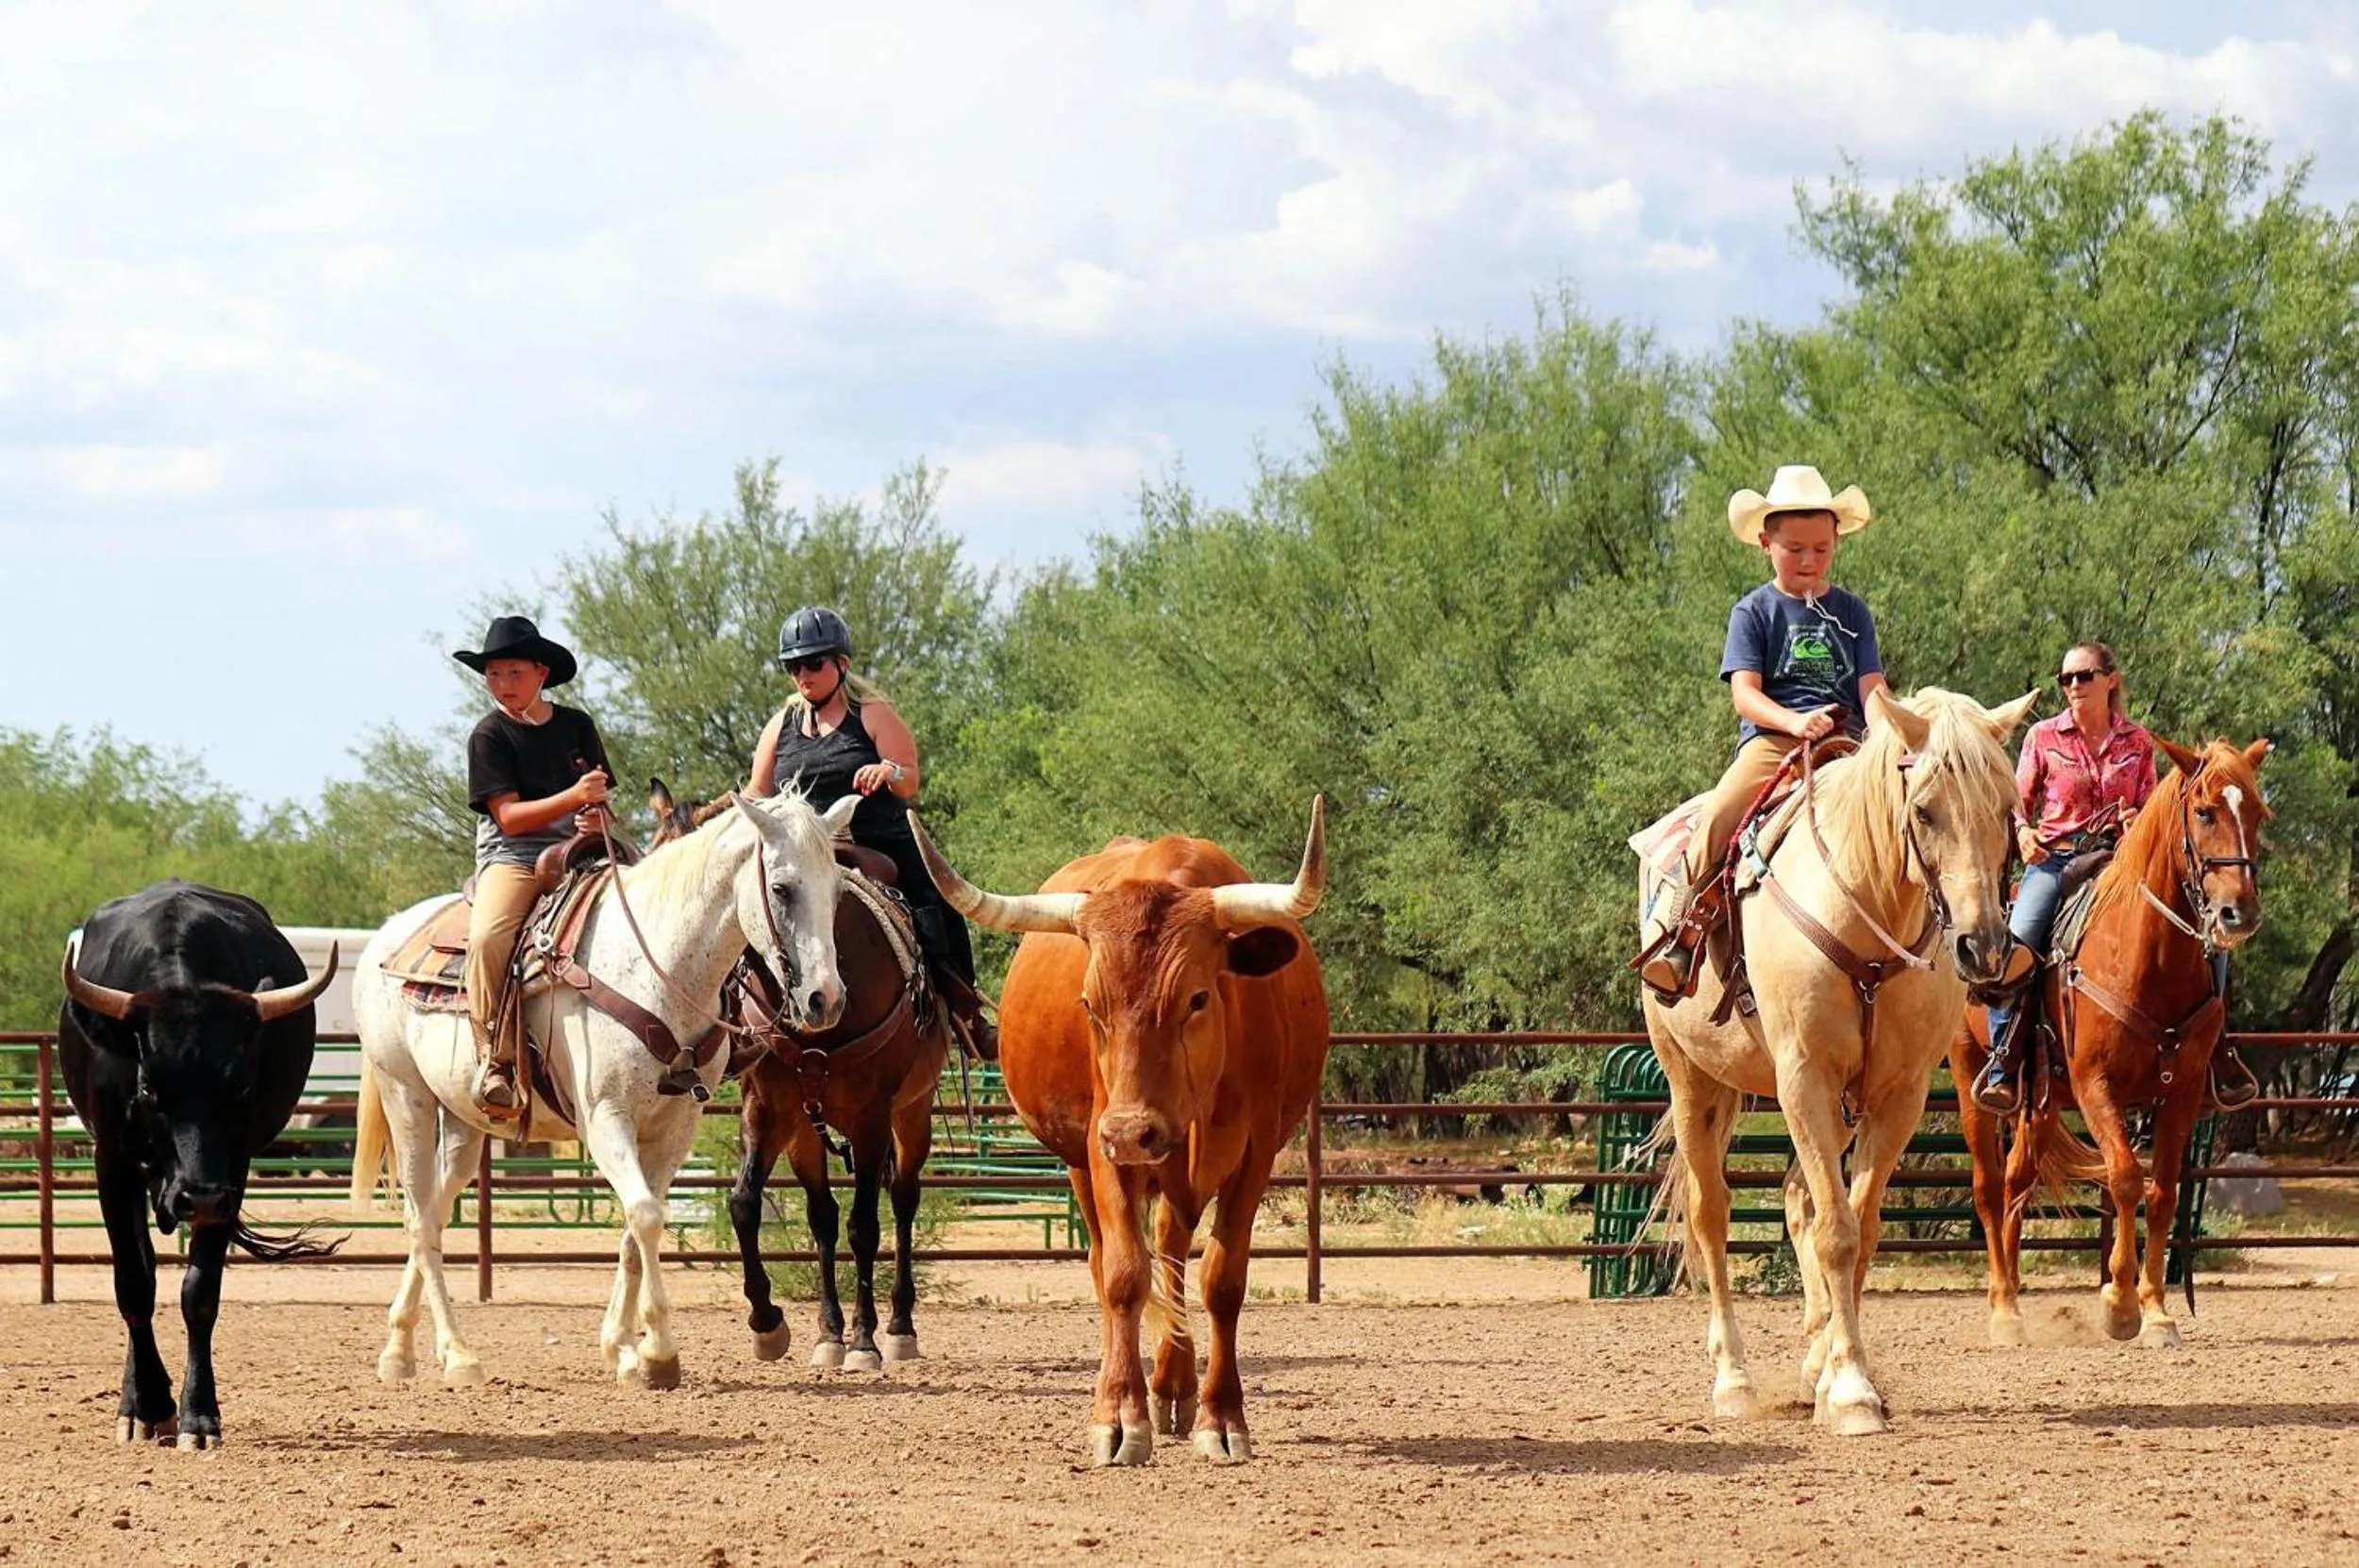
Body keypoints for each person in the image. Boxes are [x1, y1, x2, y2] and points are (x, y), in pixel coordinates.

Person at [1971, 642, 2257, 1113]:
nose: (2074, 686)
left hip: (2119, 861)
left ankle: (2216, 1055)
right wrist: (2022, 834)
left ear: (2111, 680)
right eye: (2067, 679)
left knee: (2209, 943)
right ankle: (2004, 1063)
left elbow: (2153, 810)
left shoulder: (2138, 742)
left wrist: (2134, 821)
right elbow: (2014, 803)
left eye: (2084, 676)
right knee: (2020, 941)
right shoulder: (2042, 737)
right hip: (2057, 860)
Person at [1638, 465, 1887, 997]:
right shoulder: (1754, 610)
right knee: (1719, 816)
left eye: (1821, 549)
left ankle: (1949, 939)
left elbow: (1872, 688)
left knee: (1919, 813)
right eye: (1794, 548)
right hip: (1775, 743)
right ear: (1764, 542)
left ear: (1836, 541)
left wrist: (1896, 727)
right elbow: (1744, 695)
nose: (1808, 560)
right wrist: (1795, 721)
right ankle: (1677, 935)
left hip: (1851, 745)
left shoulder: (1852, 611)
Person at [747, 606, 996, 1059]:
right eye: (793, 665)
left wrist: (887, 771)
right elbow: (756, 790)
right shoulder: (779, 726)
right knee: (747, 909)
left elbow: (911, 778)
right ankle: (734, 1028)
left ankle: (967, 1014)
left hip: (878, 840)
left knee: (932, 904)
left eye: (814, 662)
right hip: (806, 852)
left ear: (841, 663)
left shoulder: (872, 713)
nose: (803, 674)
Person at [455, 615, 615, 1118]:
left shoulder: (576, 726)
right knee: (487, 938)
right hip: (515, 858)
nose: (503, 686)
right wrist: (574, 798)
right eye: (494, 675)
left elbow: (599, 799)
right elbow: (508, 818)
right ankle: (494, 1059)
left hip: (582, 852)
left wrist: (595, 817)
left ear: (541, 672)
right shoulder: (489, 735)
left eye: (514, 673)